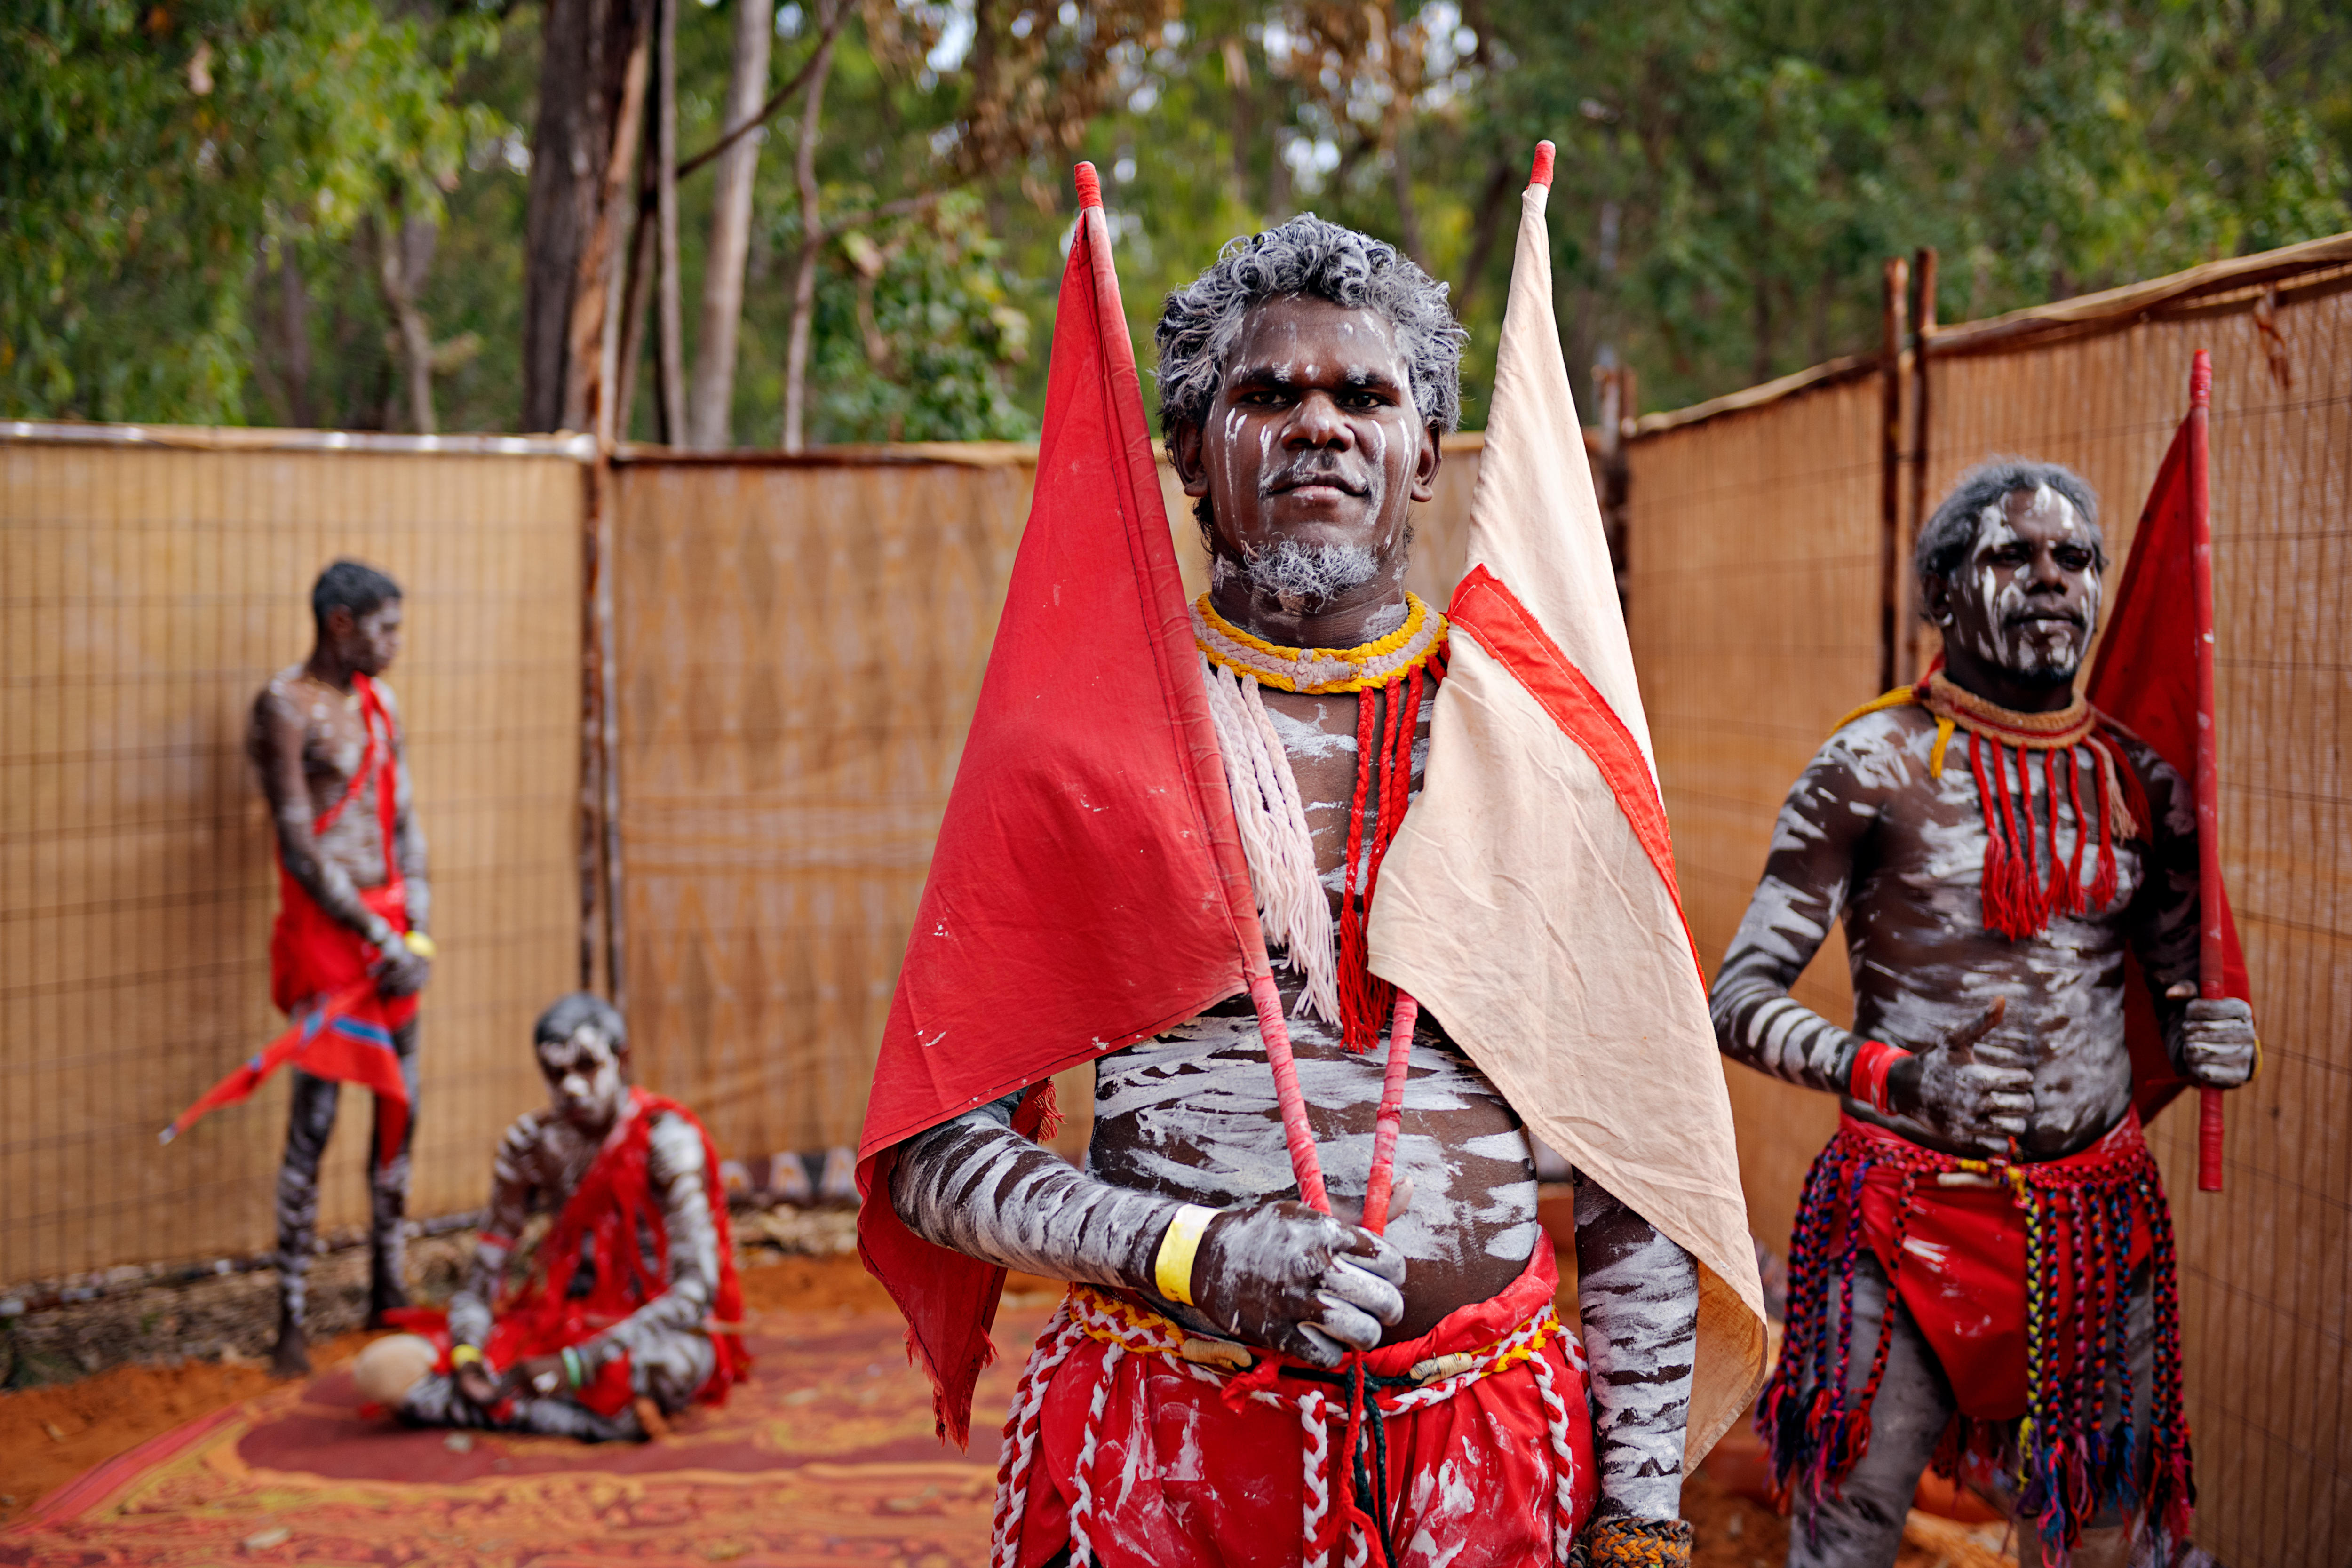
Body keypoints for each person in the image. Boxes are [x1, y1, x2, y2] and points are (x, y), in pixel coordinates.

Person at [881, 215, 1706, 1568]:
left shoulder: (1529, 747)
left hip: (1485, 1465)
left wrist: (1641, 1511)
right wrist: (1190, 1252)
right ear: (1196, 458)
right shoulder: (1093, 740)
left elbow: (1639, 1162)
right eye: (1268, 394)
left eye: (1364, 394)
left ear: (1426, 455)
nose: (1318, 423)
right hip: (1161, 1462)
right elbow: (932, 1149)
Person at [1710, 461, 2258, 1567]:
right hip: (1896, 1225)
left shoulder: (2135, 779)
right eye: (2015, 556)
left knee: (2108, 1532)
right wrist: (1898, 1078)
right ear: (1942, 589)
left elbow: (2177, 987)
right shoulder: (1867, 763)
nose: (2052, 579)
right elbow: (1736, 1000)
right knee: (1851, 1521)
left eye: (2077, 559)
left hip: (2092, 1230)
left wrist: (2217, 1029)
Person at [357, 992, 749, 1439]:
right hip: (559, 1325)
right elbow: (482, 1281)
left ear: (622, 1060)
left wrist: (579, 1364)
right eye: (556, 1073)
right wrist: (467, 1357)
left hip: (640, 1334)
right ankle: (596, 1423)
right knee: (381, 1369)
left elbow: (696, 1291)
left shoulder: (667, 1140)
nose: (572, 1087)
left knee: (673, 1366)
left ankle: (515, 1409)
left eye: (587, 1066)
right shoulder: (530, 1146)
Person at [249, 559, 433, 1377]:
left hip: (393, 935)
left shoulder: (382, 703)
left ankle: (386, 1282)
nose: (397, 643)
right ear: (342, 625)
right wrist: (374, 931)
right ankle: (289, 1312)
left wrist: (415, 922)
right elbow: (299, 843)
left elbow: (405, 818)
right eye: (386, 627)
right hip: (330, 937)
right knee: (315, 1117)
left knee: (402, 1106)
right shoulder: (283, 707)